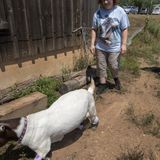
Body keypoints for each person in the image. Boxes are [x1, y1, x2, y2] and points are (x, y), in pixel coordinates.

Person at [90, 0, 130, 91]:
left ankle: (116, 80)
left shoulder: (120, 11)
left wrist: (124, 44)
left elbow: (124, 29)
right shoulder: (98, 13)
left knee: (113, 65)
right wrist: (92, 44)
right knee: (101, 66)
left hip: (114, 47)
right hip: (100, 46)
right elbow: (94, 29)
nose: (106, 1)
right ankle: (102, 84)